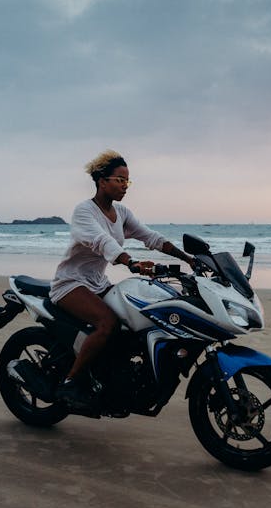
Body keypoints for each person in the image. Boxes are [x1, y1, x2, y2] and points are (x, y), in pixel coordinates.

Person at [50, 150, 194, 410]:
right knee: (107, 323)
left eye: (128, 181)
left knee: (135, 321)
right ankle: (70, 382)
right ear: (102, 180)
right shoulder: (85, 211)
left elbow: (150, 236)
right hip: (71, 283)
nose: (125, 186)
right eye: (120, 179)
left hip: (98, 283)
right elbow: (101, 241)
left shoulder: (122, 212)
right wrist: (131, 262)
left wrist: (189, 259)